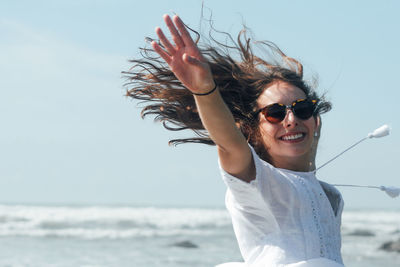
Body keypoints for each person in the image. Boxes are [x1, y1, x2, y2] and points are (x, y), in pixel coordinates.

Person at [125, 14, 345, 267]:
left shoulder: (331, 195)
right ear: (252, 130)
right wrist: (204, 89)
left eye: (302, 109)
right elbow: (228, 142)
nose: (291, 119)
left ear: (316, 120)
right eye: (274, 113)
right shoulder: (257, 180)